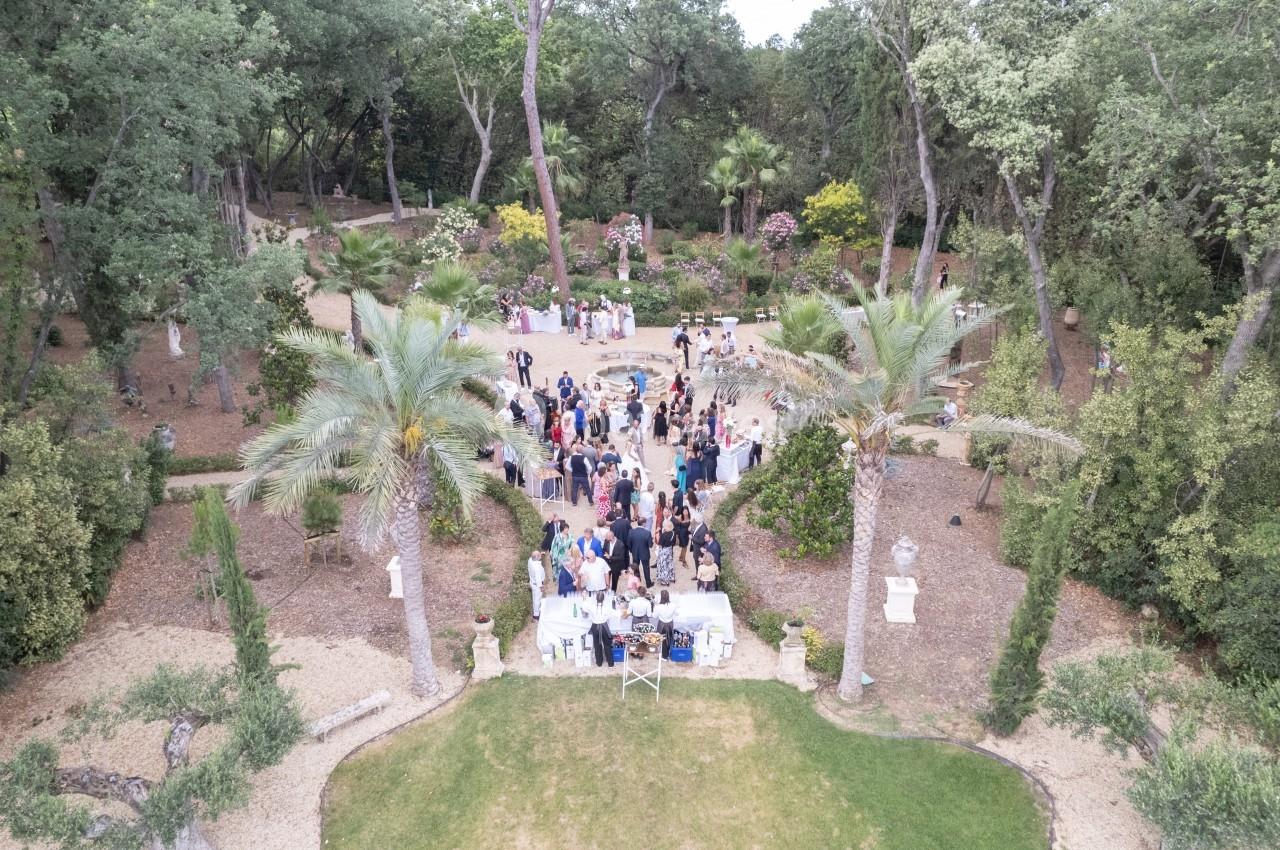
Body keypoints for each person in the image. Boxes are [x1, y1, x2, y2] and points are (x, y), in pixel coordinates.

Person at [582, 590, 614, 667]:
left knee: (597, 645)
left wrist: (584, 597)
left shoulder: (592, 606)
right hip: (604, 627)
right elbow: (614, 613)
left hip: (595, 627)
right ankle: (610, 663)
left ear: (596, 598)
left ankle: (599, 663)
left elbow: (584, 606)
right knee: (607, 644)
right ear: (604, 599)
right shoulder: (607, 607)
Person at [628, 521, 653, 588]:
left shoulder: (631, 532)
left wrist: (632, 551)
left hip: (635, 553)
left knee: (635, 568)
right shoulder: (647, 533)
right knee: (646, 568)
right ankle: (648, 583)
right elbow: (650, 545)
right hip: (645, 554)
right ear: (644, 523)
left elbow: (629, 544)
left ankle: (637, 581)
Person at [654, 590, 676, 658]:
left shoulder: (658, 607)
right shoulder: (673, 605)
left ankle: (664, 655)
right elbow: (677, 613)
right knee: (669, 638)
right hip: (669, 624)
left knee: (662, 639)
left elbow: (654, 616)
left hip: (662, 625)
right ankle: (667, 653)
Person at [655, 520, 676, 585]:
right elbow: (674, 543)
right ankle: (671, 577)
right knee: (669, 563)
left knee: (664, 565)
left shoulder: (663, 535)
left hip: (664, 551)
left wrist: (657, 536)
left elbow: (660, 544)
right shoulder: (673, 533)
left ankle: (665, 581)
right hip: (669, 550)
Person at [672, 500, 691, 567]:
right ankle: (683, 560)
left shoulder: (690, 517)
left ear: (688, 511)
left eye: (686, 511)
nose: (685, 512)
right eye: (683, 511)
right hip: (681, 535)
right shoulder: (680, 517)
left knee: (685, 547)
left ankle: (681, 557)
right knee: (684, 547)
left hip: (686, 534)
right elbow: (675, 520)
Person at [527, 550, 545, 618]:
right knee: (537, 599)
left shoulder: (530, 560)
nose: (540, 556)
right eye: (539, 556)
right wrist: (541, 587)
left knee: (535, 597)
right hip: (537, 585)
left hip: (532, 582)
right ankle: (536, 614)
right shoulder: (537, 568)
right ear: (537, 557)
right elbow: (538, 579)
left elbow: (534, 556)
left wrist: (540, 554)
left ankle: (536, 611)